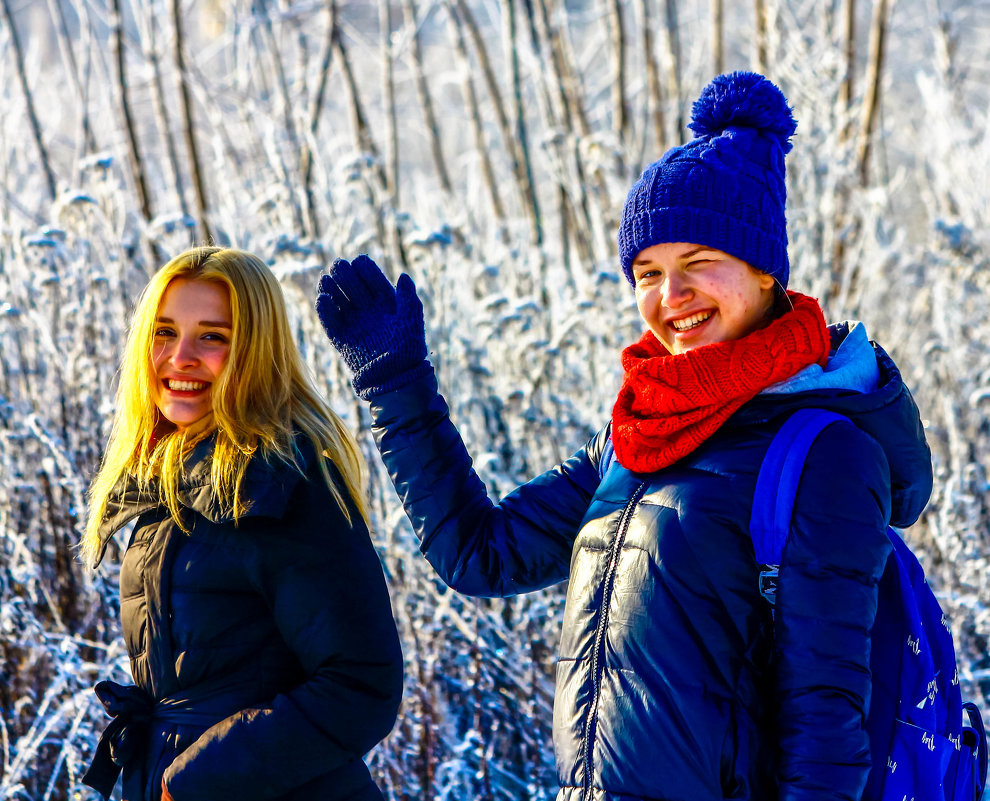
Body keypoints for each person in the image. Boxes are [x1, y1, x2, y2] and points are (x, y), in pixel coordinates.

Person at [315, 72, 933, 800]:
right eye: (648, 272)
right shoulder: (639, 436)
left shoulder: (822, 451)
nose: (671, 299)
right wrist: (398, 386)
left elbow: (825, 726)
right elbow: (480, 555)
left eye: (699, 264)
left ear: (767, 273)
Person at [82, 247, 403, 801]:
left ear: (255, 352)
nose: (179, 357)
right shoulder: (168, 483)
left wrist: (199, 779)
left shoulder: (281, 484)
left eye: (212, 337)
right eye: (164, 332)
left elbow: (361, 685)